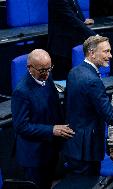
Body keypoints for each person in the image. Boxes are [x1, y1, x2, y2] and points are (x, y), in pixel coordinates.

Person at [63, 35, 113, 176]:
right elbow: (110, 117)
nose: (110, 55)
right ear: (92, 53)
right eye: (106, 51)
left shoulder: (74, 72)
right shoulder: (93, 81)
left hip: (73, 144)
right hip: (86, 149)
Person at [11, 49, 75, 189]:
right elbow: (21, 126)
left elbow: (54, 106)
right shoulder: (21, 92)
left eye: (49, 68)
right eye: (42, 70)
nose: (46, 74)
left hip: (49, 149)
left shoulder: (47, 77)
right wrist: (52, 130)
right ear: (29, 68)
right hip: (33, 155)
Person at [48, 0, 96, 80]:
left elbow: (74, 9)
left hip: (71, 44)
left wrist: (82, 20)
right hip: (61, 47)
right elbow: (70, 17)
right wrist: (94, 35)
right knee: (62, 82)